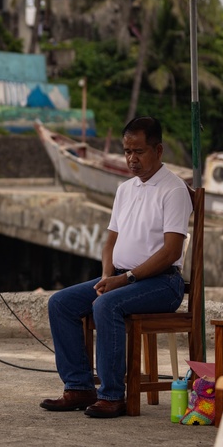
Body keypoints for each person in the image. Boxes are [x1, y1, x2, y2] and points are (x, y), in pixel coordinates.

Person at [40, 116, 192, 418]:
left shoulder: (173, 190)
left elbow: (171, 251)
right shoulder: (125, 189)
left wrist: (125, 279)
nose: (132, 159)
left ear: (158, 151)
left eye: (139, 152)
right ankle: (79, 387)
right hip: (122, 277)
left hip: (162, 283)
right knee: (60, 303)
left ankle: (113, 395)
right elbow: (110, 241)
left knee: (106, 305)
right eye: (127, 152)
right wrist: (108, 275)